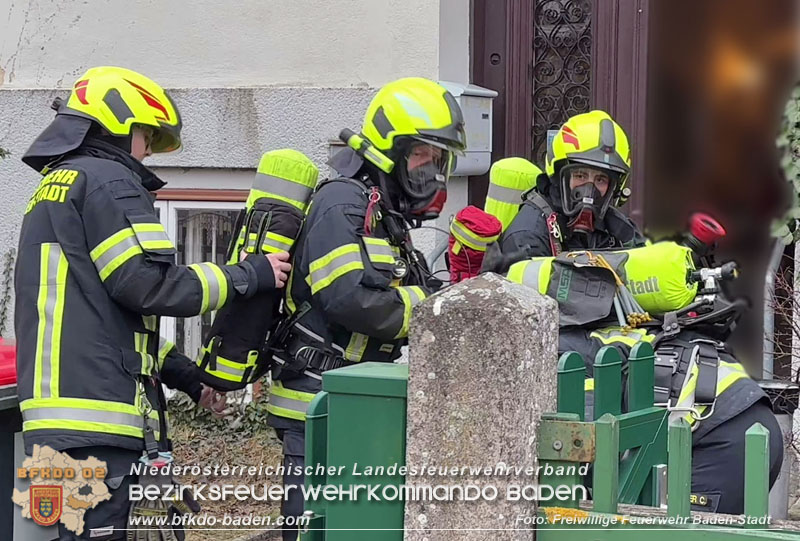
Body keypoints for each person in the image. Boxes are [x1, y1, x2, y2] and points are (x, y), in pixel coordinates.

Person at [15, 66, 290, 540]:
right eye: (145, 135)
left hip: (61, 421)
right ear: (120, 126)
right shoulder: (107, 180)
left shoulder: (55, 186)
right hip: (96, 424)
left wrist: (188, 378)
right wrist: (251, 274)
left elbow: (106, 320)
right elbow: (149, 285)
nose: (145, 149)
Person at [267, 77, 466, 540]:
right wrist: (432, 309)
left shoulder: (381, 212)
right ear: (389, 149)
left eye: (438, 159)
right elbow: (350, 299)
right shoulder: (342, 204)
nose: (431, 171)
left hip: (354, 399)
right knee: (316, 530)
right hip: (317, 403)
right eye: (422, 154)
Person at [493, 110, 645, 267]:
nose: (589, 190)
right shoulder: (528, 236)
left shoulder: (619, 230)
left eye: (600, 179)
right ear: (559, 177)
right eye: (580, 176)